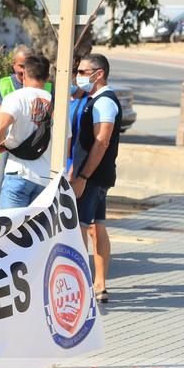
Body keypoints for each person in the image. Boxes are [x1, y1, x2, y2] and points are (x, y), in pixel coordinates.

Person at [70, 53, 122, 304]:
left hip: (92, 177)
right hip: (97, 176)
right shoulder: (93, 99)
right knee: (95, 227)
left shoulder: (105, 102)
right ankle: (99, 285)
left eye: (82, 72)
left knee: (80, 228)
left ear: (98, 74)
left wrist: (82, 176)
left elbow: (102, 141)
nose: (78, 76)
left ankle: (80, 287)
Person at [0, 54, 62, 209]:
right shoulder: (57, 104)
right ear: (47, 77)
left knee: (11, 230)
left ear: (24, 75)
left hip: (19, 173)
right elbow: (65, 143)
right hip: (45, 178)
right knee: (35, 232)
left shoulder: (15, 97)